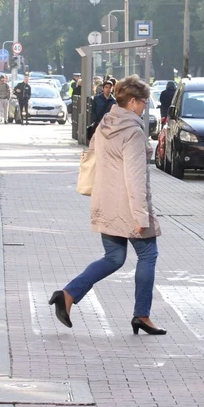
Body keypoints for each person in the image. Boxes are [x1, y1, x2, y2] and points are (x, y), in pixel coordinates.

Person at [48, 76, 166, 335]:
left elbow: (93, 156)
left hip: (105, 202)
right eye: (144, 101)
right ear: (133, 102)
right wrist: (141, 216)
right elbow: (135, 178)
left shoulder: (105, 124)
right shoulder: (133, 132)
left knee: (114, 258)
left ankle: (68, 294)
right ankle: (142, 315)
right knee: (148, 255)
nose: (146, 106)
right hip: (128, 206)